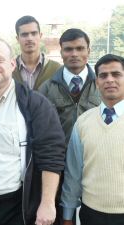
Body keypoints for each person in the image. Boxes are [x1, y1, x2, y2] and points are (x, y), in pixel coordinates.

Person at [0, 38, 65, 225]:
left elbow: (52, 154)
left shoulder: (35, 104)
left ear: (12, 65)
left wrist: (48, 203)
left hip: (18, 206)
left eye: (0, 60)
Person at [39, 28, 101, 225]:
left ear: (88, 51)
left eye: (80, 48)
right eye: (68, 49)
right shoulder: (46, 89)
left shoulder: (103, 84)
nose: (74, 54)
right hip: (57, 170)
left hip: (95, 167)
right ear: (61, 51)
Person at [61, 54, 124, 225]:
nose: (109, 80)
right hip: (91, 214)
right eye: (103, 75)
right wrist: (67, 216)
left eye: (116, 74)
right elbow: (73, 172)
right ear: (97, 82)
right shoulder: (83, 122)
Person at [13, 15, 61, 89]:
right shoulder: (9, 69)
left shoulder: (56, 69)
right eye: (24, 35)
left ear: (40, 36)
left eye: (34, 33)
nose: (29, 38)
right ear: (17, 39)